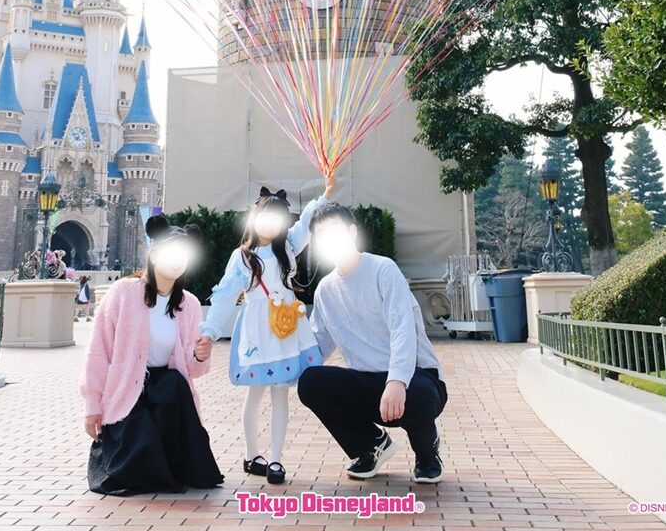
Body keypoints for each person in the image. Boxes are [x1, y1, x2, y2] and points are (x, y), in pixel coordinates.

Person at [195, 180, 334, 485]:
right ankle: (251, 454)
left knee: (281, 393)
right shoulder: (243, 257)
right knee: (256, 393)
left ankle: (276, 459)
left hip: (286, 325)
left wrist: (324, 194)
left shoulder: (289, 247)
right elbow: (224, 296)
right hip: (259, 329)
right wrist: (210, 331)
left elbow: (306, 221)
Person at [297, 202, 447, 484]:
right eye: (321, 235)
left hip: (414, 377)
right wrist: (282, 357)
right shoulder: (326, 289)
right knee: (310, 382)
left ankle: (427, 454)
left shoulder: (382, 269)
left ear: (352, 232)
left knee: (419, 397)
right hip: (367, 382)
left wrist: (397, 381)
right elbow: (318, 345)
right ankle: (371, 445)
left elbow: (403, 330)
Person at [80, 215, 223, 496]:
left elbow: (192, 370)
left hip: (166, 395)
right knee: (138, 461)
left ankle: (172, 461)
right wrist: (92, 405)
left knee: (175, 383)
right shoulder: (123, 293)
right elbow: (98, 351)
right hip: (128, 390)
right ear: (154, 255)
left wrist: (199, 355)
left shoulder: (189, 304)